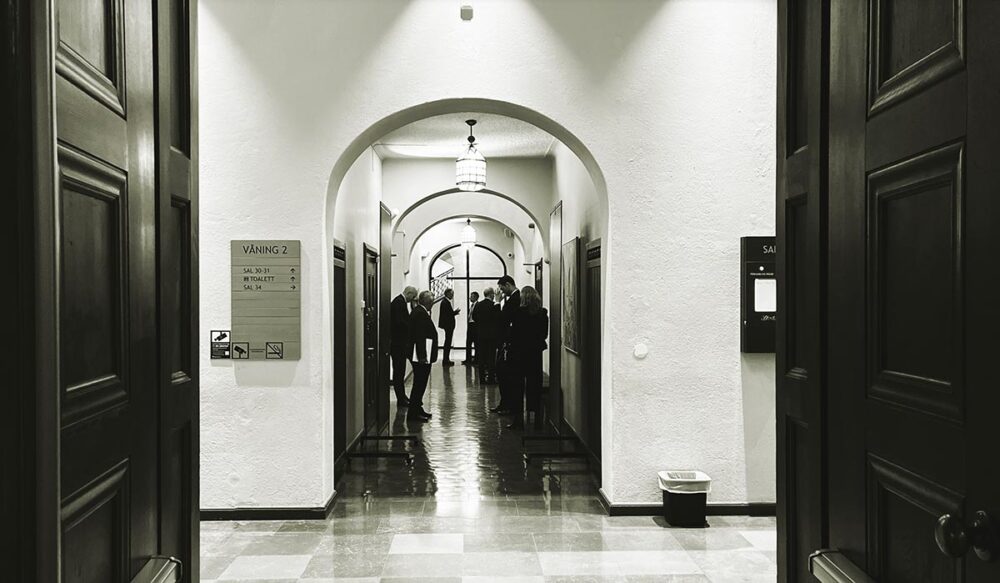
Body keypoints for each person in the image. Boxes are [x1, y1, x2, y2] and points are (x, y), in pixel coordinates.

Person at [509, 286, 548, 429]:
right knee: (534, 385)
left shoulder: (518, 313)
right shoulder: (542, 313)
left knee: (517, 386)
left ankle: (518, 419)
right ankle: (536, 419)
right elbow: (544, 334)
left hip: (519, 354)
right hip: (535, 354)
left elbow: (513, 334)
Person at [491, 275, 521, 414]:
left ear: (508, 284)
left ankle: (507, 405)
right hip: (507, 343)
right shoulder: (512, 298)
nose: (502, 292)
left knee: (505, 376)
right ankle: (504, 404)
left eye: (502, 289)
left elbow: (501, 320)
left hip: (509, 344)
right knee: (502, 375)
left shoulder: (515, 299)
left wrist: (497, 303)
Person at [407, 290, 438, 422]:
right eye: (432, 301)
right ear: (428, 301)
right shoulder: (420, 313)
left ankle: (418, 409)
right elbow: (419, 336)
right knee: (419, 384)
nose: (433, 303)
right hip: (421, 356)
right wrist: (422, 356)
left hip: (421, 354)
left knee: (420, 384)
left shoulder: (419, 311)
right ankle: (413, 414)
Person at [390, 286, 417, 406]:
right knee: (398, 372)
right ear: (409, 293)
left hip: (399, 343)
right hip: (398, 344)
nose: (413, 299)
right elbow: (400, 322)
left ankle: (402, 397)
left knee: (400, 372)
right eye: (413, 296)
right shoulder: (399, 302)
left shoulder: (399, 302)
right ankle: (401, 398)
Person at [472, 287, 501, 384]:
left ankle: (482, 379)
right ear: (492, 295)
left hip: (480, 334)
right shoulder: (493, 305)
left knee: (481, 357)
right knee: (491, 357)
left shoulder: (478, 305)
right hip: (492, 335)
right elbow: (498, 318)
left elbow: (474, 317)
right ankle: (491, 378)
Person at [437, 288, 460, 366]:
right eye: (451, 293)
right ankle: (446, 360)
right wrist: (455, 313)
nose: (453, 295)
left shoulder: (445, 302)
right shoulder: (445, 302)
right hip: (448, 325)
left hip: (448, 325)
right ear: (447, 294)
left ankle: (446, 359)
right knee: (447, 342)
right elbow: (447, 315)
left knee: (448, 341)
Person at [463, 291, 479, 366]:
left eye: (471, 296)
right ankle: (468, 359)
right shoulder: (472, 305)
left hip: (475, 326)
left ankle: (476, 359)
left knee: (476, 343)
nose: (470, 297)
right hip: (470, 325)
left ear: (475, 297)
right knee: (468, 342)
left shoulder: (478, 305)